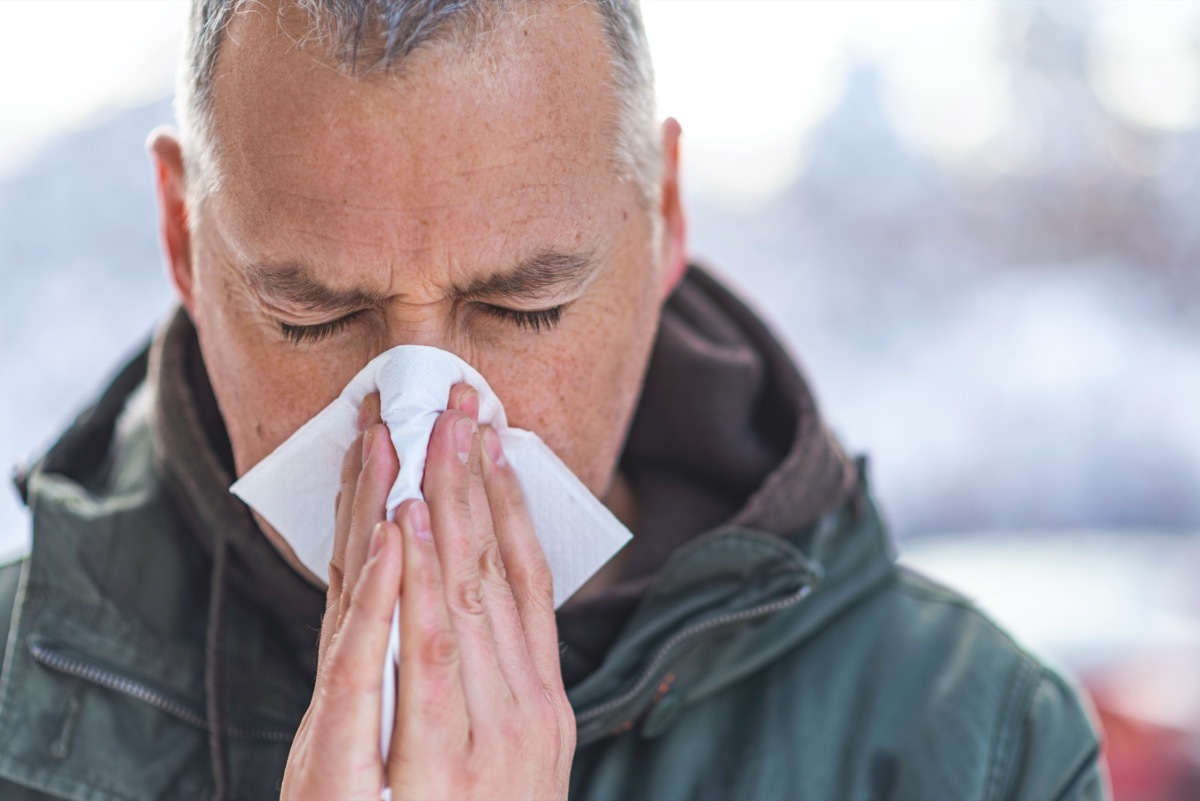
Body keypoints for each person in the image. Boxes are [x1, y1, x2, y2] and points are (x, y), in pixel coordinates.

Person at [0, 1, 1107, 799]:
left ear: (664, 218)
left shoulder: (973, 750)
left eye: (525, 305)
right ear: (184, 239)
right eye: (313, 316)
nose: (419, 424)